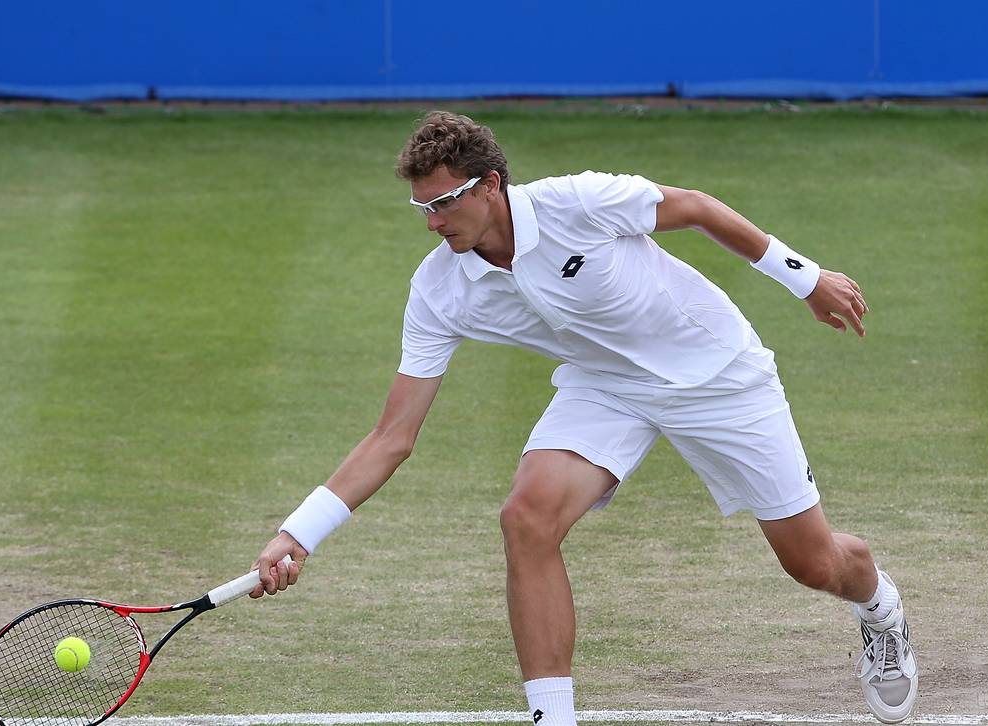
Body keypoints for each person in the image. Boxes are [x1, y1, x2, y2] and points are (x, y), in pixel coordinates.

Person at [249, 111, 917, 724]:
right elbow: (392, 437)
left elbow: (696, 208)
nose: (433, 222)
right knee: (526, 517)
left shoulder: (579, 202)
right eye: (423, 207)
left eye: (446, 202)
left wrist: (806, 278)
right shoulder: (439, 289)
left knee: (814, 564)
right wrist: (298, 534)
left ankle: (879, 605)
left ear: (491, 187)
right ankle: (553, 719)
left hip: (718, 374)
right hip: (607, 386)